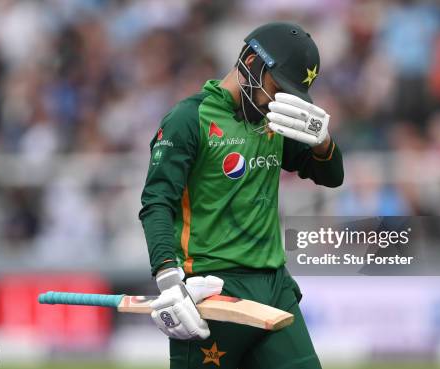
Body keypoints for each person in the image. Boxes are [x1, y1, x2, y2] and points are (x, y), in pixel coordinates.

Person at [139, 22, 344, 369]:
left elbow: (332, 176)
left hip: (274, 285)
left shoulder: (276, 120)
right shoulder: (189, 118)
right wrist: (169, 278)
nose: (279, 100)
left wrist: (323, 142)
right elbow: (156, 202)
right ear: (251, 61)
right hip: (210, 287)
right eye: (278, 86)